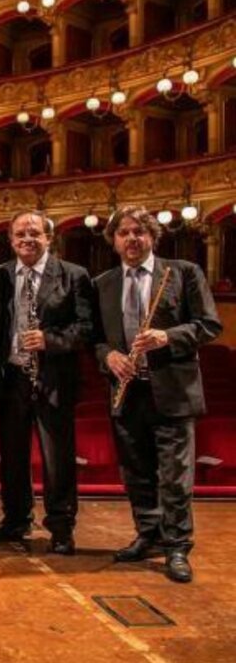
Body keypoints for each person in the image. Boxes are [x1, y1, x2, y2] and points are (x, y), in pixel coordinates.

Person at [93, 205, 221, 582]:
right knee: (136, 472)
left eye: (139, 232)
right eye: (124, 233)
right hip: (127, 390)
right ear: (114, 241)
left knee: (175, 477)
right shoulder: (103, 283)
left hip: (172, 391)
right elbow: (95, 339)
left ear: (152, 236)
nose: (132, 239)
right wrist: (109, 357)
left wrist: (168, 336)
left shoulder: (183, 273)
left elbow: (209, 324)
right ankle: (148, 535)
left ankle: (177, 546)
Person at [0, 210, 92, 555]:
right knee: (13, 456)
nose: (27, 240)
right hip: (13, 378)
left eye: (34, 233)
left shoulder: (73, 275)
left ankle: (61, 527)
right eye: (20, 234)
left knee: (57, 458)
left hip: (53, 378)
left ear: (49, 238)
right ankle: (16, 519)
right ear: (11, 240)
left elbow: (86, 328)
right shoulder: (1, 274)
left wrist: (50, 340)